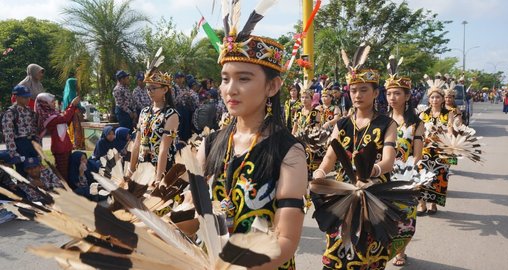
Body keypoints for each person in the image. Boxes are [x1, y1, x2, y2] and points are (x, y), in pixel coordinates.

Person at [197, 7, 307, 269]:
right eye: (225, 79)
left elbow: (286, 239)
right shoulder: (210, 143)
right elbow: (191, 214)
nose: (230, 89)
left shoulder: (289, 152)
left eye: (243, 79)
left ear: (272, 86)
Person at [312, 44, 398, 269]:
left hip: (373, 192)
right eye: (353, 90)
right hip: (342, 192)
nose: (357, 95)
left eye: (363, 90)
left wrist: (373, 171)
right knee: (336, 246)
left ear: (376, 93)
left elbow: (389, 160)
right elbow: (330, 157)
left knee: (368, 249)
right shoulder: (342, 124)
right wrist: (320, 174)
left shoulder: (387, 124)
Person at [385, 55, 425, 266]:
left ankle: (400, 251)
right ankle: (386, 249)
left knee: (405, 216)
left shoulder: (415, 124)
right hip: (383, 174)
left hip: (405, 174)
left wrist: (409, 172)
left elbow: (417, 153)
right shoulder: (381, 120)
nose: (392, 98)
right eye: (389, 93)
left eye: (397, 93)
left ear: (407, 96)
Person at [128, 51, 180, 186]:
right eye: (148, 89)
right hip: (142, 168)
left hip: (161, 168)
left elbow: (164, 148)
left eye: (153, 88)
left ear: (165, 90)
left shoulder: (171, 114)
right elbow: (137, 143)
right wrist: (131, 169)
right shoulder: (144, 112)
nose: (149, 92)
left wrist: (158, 178)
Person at [417, 75, 455, 214]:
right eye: (432, 97)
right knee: (421, 176)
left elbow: (450, 128)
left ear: (442, 98)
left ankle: (433, 204)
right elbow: (419, 132)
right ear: (429, 98)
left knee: (438, 177)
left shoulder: (448, 113)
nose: (434, 100)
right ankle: (421, 205)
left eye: (437, 97)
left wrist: (447, 137)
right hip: (425, 149)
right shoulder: (423, 114)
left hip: (440, 149)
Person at [35, 93, 80, 180]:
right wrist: (72, 105)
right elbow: (64, 118)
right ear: (45, 104)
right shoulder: (47, 117)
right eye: (51, 102)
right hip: (60, 148)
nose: (54, 103)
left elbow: (66, 121)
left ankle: (69, 188)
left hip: (66, 146)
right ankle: (64, 190)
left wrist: (73, 109)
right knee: (63, 173)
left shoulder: (54, 113)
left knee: (69, 170)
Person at [1, 85, 39, 176]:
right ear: (16, 97)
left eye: (28, 96)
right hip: (21, 144)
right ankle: (23, 189)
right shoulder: (11, 112)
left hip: (32, 143)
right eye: (24, 97)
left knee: (35, 170)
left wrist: (38, 145)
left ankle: (36, 189)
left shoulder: (29, 111)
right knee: (23, 171)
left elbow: (34, 129)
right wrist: (13, 152)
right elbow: (8, 133)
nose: (27, 99)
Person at [62, 77, 85, 149]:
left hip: (70, 114)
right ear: (72, 84)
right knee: (77, 129)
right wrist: (81, 108)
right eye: (75, 83)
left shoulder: (66, 93)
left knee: (72, 128)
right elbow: (75, 104)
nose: (76, 85)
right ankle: (77, 144)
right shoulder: (72, 93)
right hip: (75, 114)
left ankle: (72, 143)